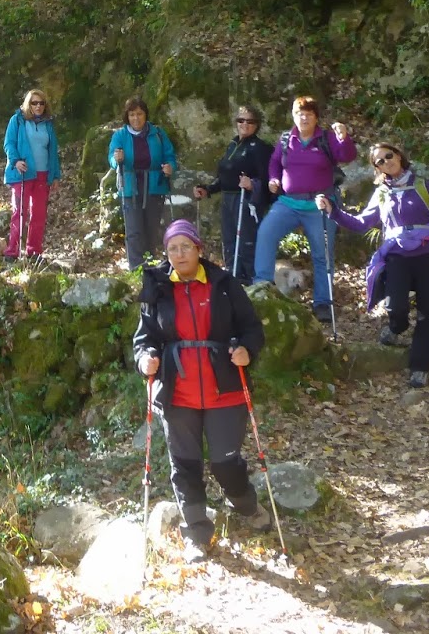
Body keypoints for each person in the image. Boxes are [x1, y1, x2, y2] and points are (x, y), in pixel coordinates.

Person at [134, 219, 270, 558]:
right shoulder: (158, 287)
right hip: (177, 392)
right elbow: (144, 338)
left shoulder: (224, 285)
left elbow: (252, 328)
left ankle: (244, 502)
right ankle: (196, 532)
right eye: (172, 249)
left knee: (225, 462)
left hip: (224, 389)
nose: (179, 254)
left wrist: (246, 351)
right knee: (185, 464)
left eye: (185, 247)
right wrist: (145, 358)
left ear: (198, 249)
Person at [317, 142, 429, 388]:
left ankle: (419, 367)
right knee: (395, 306)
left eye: (389, 156)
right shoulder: (382, 193)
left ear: (399, 155)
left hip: (427, 255)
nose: (386, 162)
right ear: (377, 168)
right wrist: (333, 211)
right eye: (380, 161)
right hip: (397, 256)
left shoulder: (423, 186)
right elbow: (362, 223)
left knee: (427, 314)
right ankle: (396, 327)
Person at [251, 96, 357, 323]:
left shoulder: (327, 138)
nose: (304, 117)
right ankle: (262, 288)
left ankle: (322, 303)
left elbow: (347, 156)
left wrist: (344, 138)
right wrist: (273, 179)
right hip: (288, 203)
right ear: (293, 115)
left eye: (309, 113)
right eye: (299, 113)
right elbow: (275, 163)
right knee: (266, 234)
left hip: (320, 204)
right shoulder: (286, 139)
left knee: (322, 254)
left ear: (316, 117)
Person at [193, 105, 273, 285]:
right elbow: (224, 177)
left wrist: (252, 184)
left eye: (250, 121)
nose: (244, 124)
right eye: (240, 120)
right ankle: (233, 280)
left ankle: (254, 284)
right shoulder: (233, 144)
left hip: (246, 200)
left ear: (257, 125)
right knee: (229, 241)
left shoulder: (260, 148)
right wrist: (208, 189)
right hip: (228, 198)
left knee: (246, 242)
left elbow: (269, 179)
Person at [107, 97, 179, 270]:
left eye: (139, 114)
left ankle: (151, 266)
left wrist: (171, 167)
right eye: (132, 114)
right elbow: (112, 158)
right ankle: (137, 269)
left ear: (146, 115)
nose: (136, 118)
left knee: (151, 229)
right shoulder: (120, 135)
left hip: (155, 185)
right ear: (127, 117)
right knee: (133, 230)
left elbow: (169, 156)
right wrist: (116, 160)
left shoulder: (158, 134)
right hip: (130, 187)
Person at [3, 89, 61, 260]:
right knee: (19, 212)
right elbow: (9, 143)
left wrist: (55, 175)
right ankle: (12, 251)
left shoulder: (47, 124)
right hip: (24, 172)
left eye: (41, 103)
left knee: (39, 214)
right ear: (28, 104)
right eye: (34, 103)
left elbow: (53, 151)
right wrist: (15, 161)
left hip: (43, 174)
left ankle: (34, 251)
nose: (38, 106)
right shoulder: (18, 121)